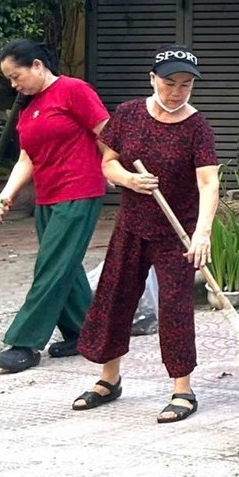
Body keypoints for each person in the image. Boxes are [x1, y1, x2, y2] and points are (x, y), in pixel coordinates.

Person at [72, 45, 220, 424]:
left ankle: (182, 389)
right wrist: (129, 179)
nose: (176, 92)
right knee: (113, 298)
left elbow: (208, 183)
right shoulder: (128, 115)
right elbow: (108, 162)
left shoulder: (197, 127)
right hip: (132, 224)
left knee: (174, 308)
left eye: (186, 85)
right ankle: (109, 379)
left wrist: (202, 234)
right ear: (152, 79)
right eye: (169, 83)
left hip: (176, 232)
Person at [0, 39, 109, 373]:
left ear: (38, 66)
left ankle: (24, 342)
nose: (14, 84)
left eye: (16, 76)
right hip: (48, 196)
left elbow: (107, 133)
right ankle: (87, 333)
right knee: (64, 265)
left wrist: (117, 170)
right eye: (9, 79)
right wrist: (5, 196)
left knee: (51, 266)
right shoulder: (29, 107)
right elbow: (27, 158)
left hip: (79, 191)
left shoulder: (74, 90)